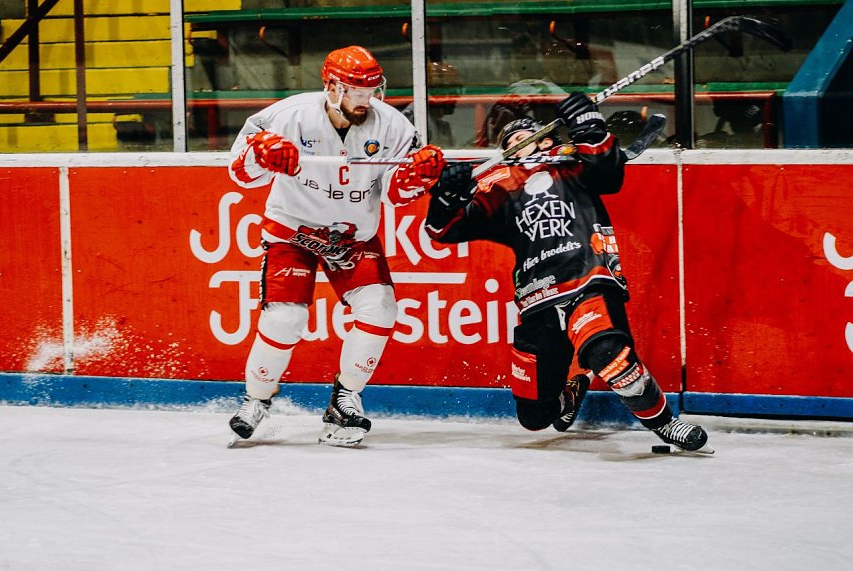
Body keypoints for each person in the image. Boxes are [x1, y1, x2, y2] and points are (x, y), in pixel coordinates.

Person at [424, 93, 712, 453]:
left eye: (537, 136)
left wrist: (588, 125)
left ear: (551, 139)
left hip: (587, 278)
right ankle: (571, 391)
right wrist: (446, 197)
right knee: (535, 417)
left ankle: (667, 424)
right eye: (513, 141)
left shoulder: (574, 165)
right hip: (536, 297)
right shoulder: (497, 185)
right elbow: (442, 231)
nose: (526, 143)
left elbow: (609, 171)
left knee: (608, 353)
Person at [227, 45, 445, 446]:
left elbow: (396, 193)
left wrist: (417, 178)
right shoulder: (286, 115)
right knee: (284, 319)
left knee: (379, 307)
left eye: (371, 91)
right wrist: (261, 155)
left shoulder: (394, 127)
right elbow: (241, 174)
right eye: (355, 92)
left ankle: (345, 399)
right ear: (331, 87)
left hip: (352, 238)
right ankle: (256, 400)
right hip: (292, 234)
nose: (366, 101)